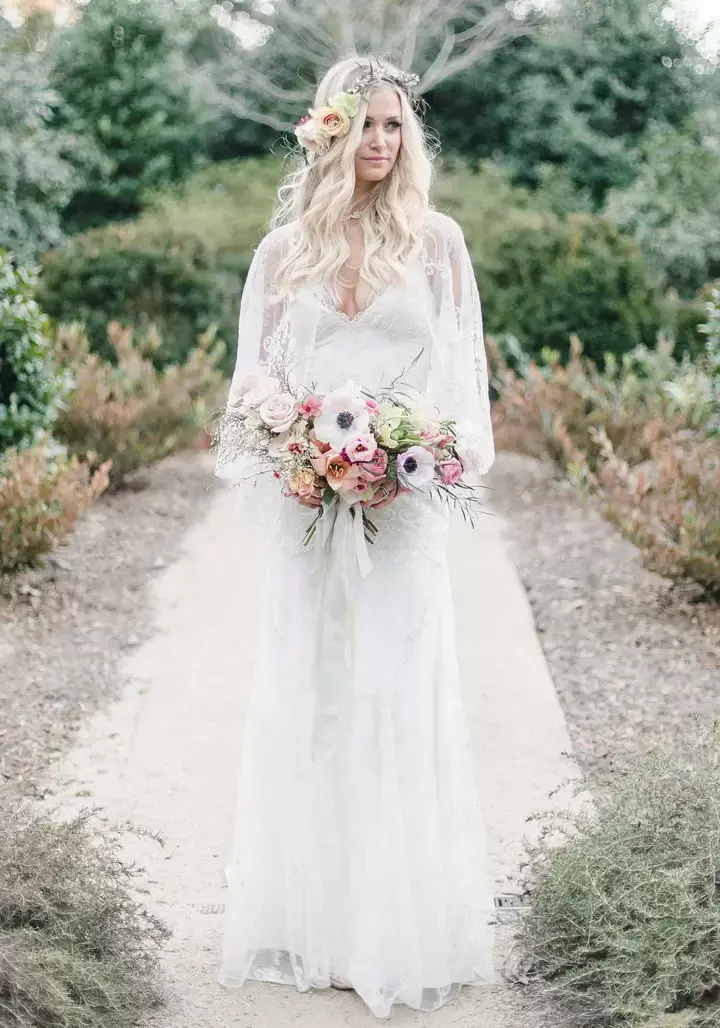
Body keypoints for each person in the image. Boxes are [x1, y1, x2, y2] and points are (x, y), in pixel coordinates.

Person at [213, 52, 497, 1019]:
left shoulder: (439, 245)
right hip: (308, 509)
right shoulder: (281, 253)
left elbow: (462, 388)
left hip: (403, 510)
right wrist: (299, 450)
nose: (380, 142)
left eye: (394, 126)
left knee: (391, 693)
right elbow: (251, 387)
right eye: (364, 125)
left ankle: (395, 925)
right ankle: (315, 921)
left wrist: (403, 455)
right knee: (314, 692)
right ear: (328, 132)